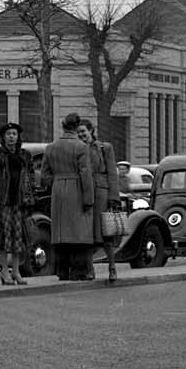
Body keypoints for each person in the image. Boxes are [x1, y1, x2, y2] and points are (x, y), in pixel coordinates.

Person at [43, 112, 96, 281]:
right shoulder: (81, 147)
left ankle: (62, 270)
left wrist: (57, 181)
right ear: (76, 127)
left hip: (58, 190)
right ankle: (79, 271)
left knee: (60, 232)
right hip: (77, 189)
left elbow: (44, 176)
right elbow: (86, 175)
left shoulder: (51, 147)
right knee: (79, 231)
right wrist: (89, 199)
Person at [0, 122, 36, 285]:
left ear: (18, 136)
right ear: (3, 137)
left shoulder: (25, 155)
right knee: (3, 238)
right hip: (2, 202)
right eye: (8, 134)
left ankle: (16, 271)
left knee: (19, 238)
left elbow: (31, 177)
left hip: (20, 202)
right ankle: (4, 271)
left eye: (14, 133)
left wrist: (31, 197)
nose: (11, 136)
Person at [79, 119, 120, 281]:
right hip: (84, 193)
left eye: (83, 131)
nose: (81, 134)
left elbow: (112, 174)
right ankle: (90, 269)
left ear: (91, 131)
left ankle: (112, 267)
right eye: (78, 132)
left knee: (106, 232)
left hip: (102, 193)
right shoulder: (78, 149)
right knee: (87, 232)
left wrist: (113, 198)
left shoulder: (105, 148)